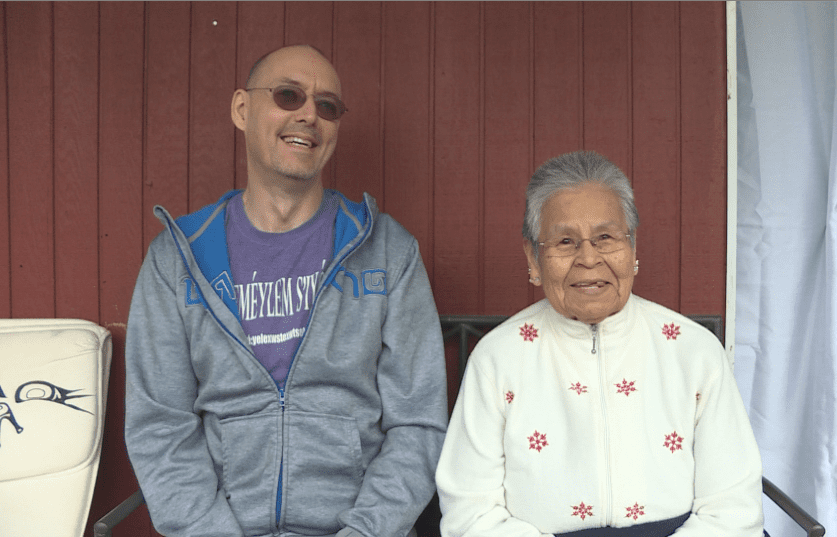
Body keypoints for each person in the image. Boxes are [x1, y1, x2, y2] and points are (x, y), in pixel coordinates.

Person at [125, 44, 448, 537]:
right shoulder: (178, 258)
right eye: (288, 95)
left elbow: (418, 425)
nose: (309, 116)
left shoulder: (387, 251)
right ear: (242, 108)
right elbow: (160, 425)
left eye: (327, 106)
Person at [435, 151, 764, 537]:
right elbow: (470, 512)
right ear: (534, 258)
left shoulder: (693, 351)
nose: (588, 258)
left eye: (606, 238)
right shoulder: (497, 358)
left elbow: (733, 507)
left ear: (633, 248)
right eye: (565, 241)